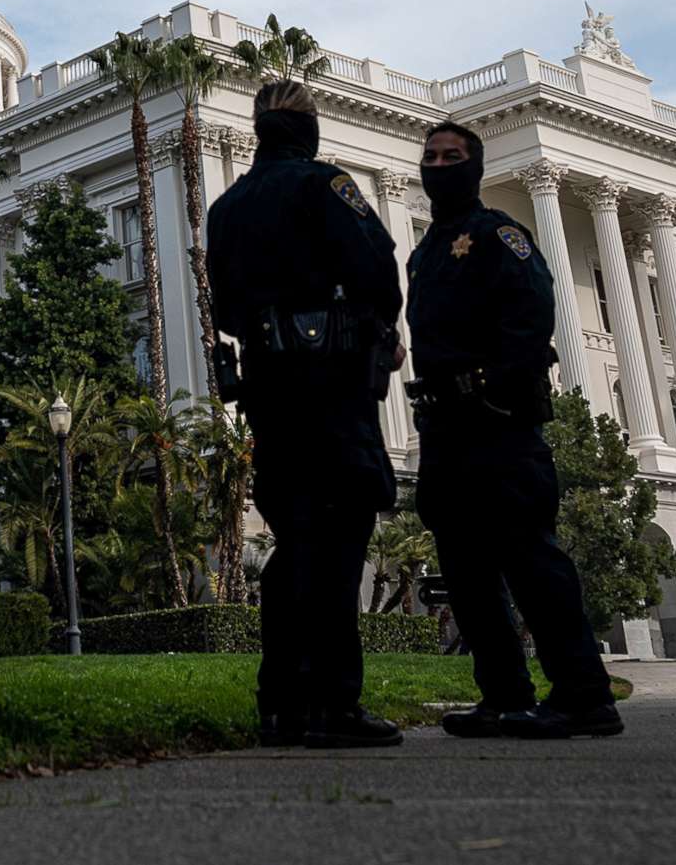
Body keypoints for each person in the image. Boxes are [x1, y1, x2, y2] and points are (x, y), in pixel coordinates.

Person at [403, 119, 623, 739]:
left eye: (452, 157)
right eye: (431, 157)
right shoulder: (426, 251)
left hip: (497, 425)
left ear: (474, 167)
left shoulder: (499, 234)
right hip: (444, 427)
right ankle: (503, 696)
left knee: (530, 560)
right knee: (465, 569)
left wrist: (500, 392)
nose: (439, 166)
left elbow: (532, 318)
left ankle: (584, 695)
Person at [206, 79, 404, 748]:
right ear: (308, 129)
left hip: (268, 387)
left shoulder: (228, 206)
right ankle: (334, 704)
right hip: (332, 384)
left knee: (294, 541)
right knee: (342, 537)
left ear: (259, 129)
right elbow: (378, 265)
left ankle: (282, 702)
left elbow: (225, 305)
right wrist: (380, 324)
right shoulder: (326, 185)